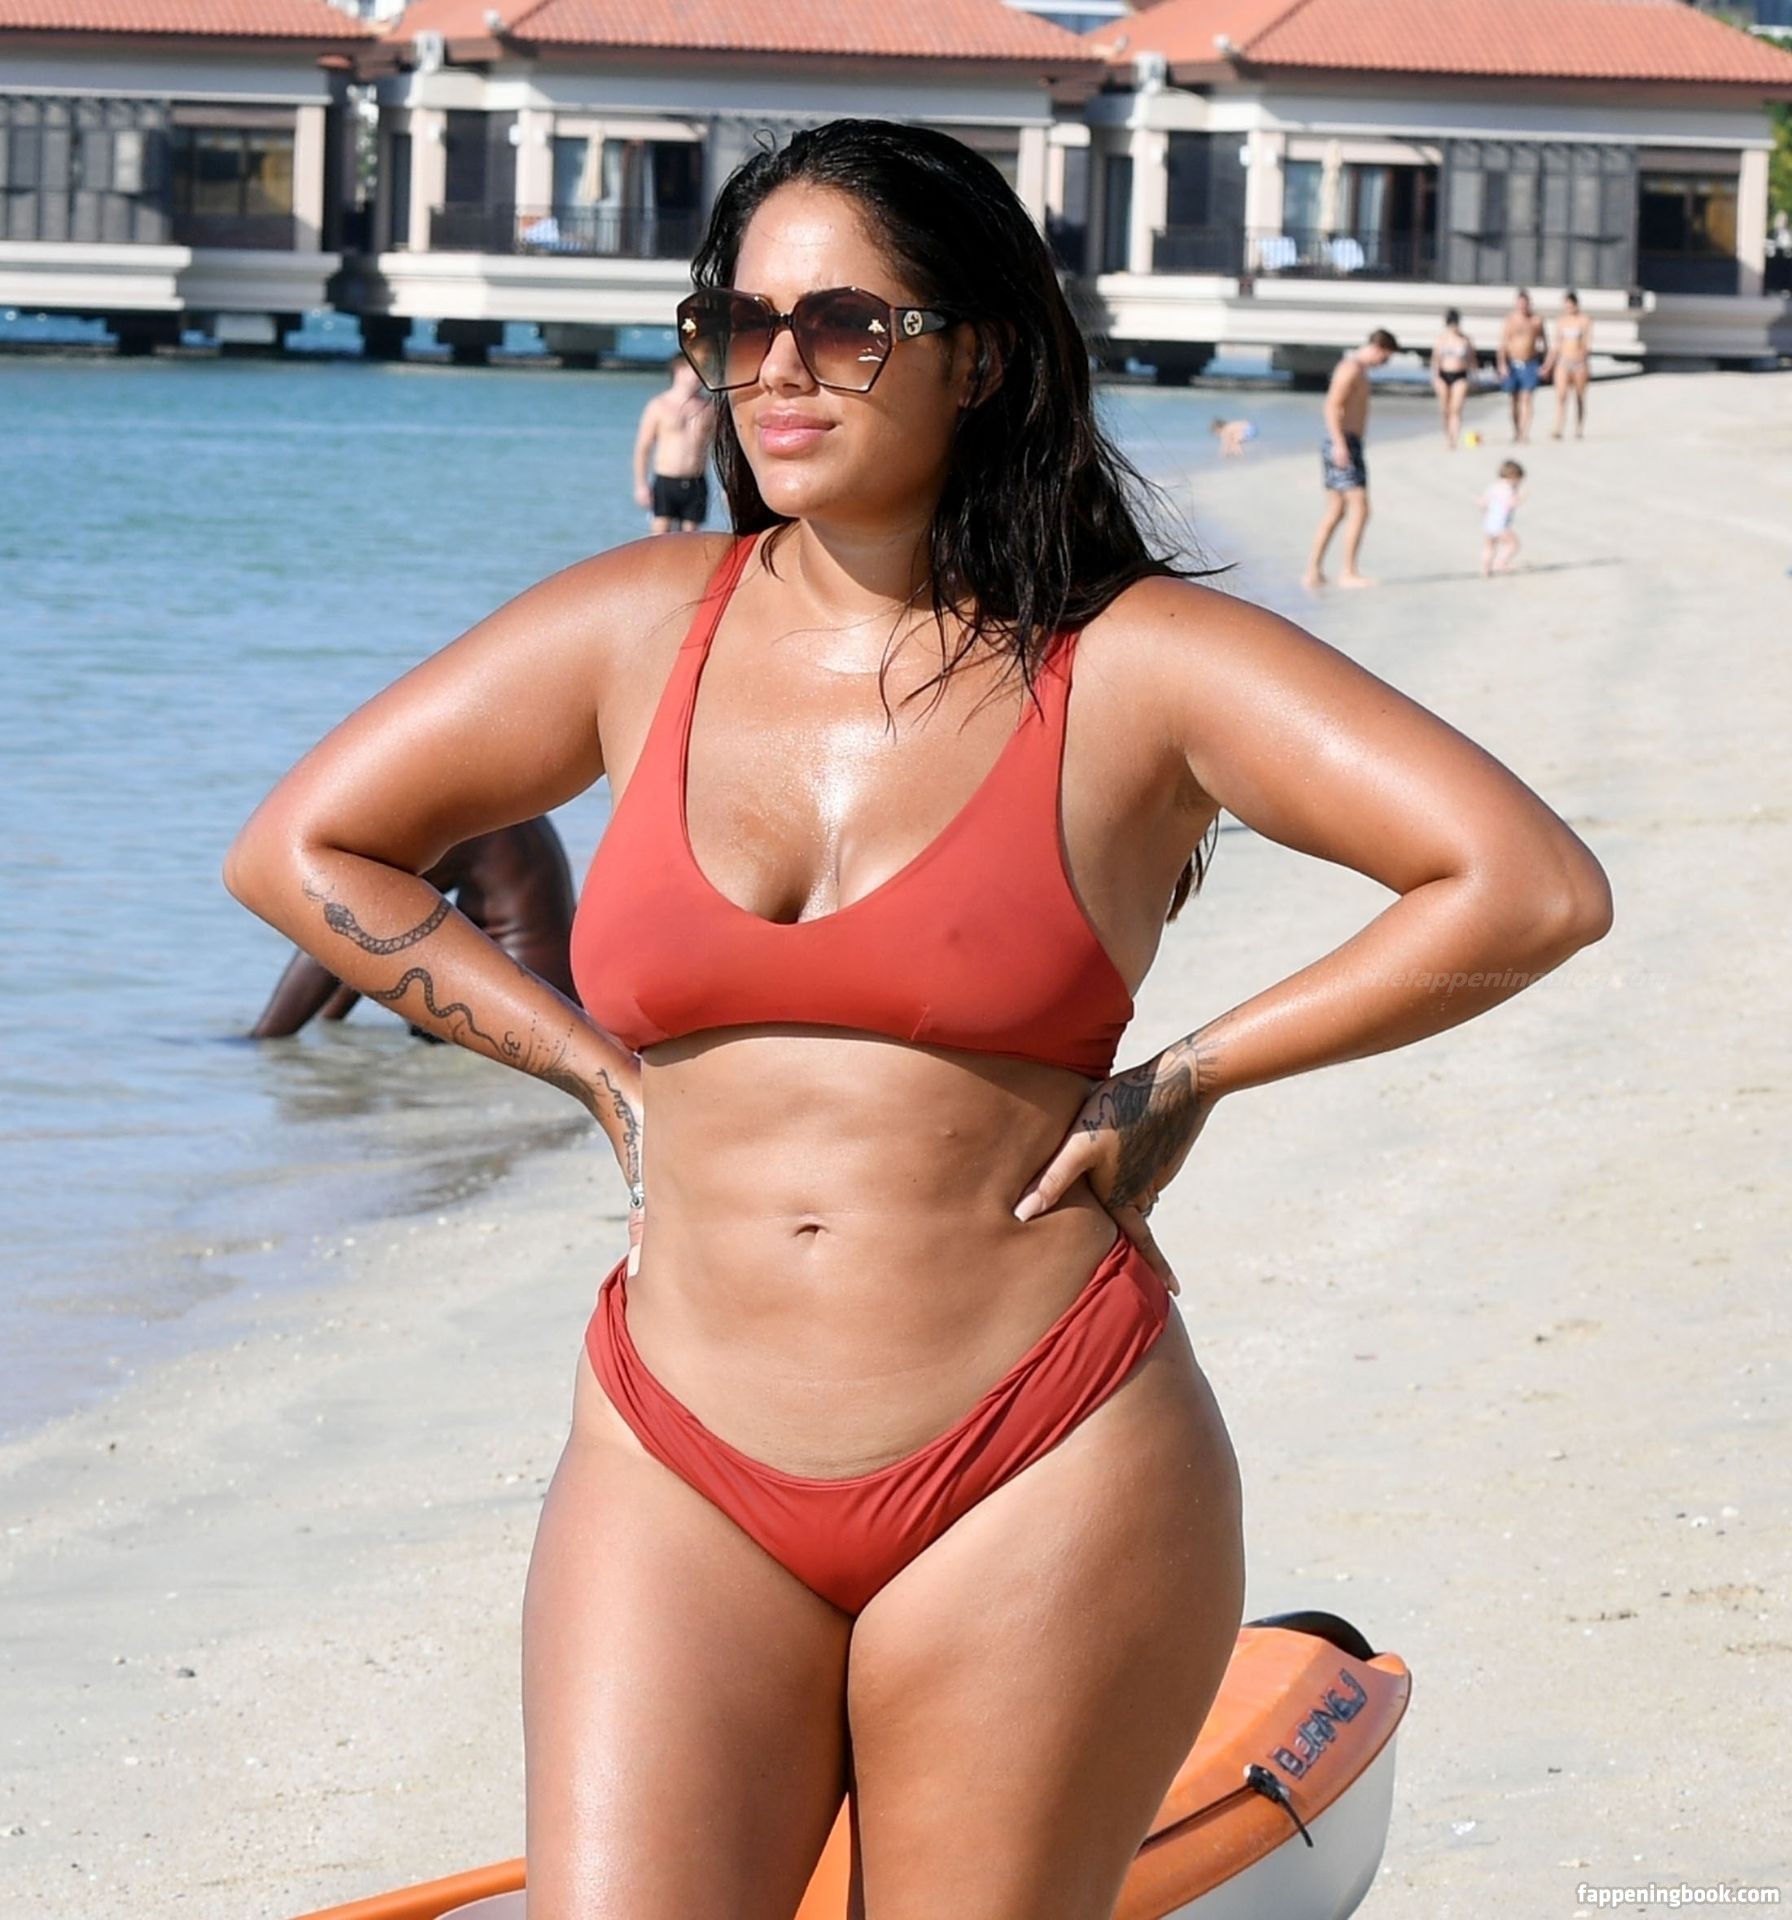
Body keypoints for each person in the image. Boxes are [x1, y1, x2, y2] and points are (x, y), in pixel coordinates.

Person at [223, 119, 1612, 1917]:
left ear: (986, 355)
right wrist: (586, 1067)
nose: (776, 370)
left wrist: (1190, 1075)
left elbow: (1524, 887)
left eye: (843, 324)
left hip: (1036, 1459)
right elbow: (302, 851)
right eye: (739, 324)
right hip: (672, 1453)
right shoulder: (635, 630)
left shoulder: (1135, 662)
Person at [247, 817, 576, 1038]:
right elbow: (375, 941)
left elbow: (362, 922)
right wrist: (329, 1023)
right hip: (548, 1002)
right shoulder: (513, 815)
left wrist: (266, 1038)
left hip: (508, 1013)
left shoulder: (475, 828)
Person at [1304, 326, 1399, 590]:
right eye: (1385, 357)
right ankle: (1348, 572)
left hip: (1345, 442)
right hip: (1342, 442)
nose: (1384, 363)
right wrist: (1339, 443)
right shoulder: (1351, 369)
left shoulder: (1357, 369)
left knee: (1336, 510)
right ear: (1378, 348)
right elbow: (1332, 405)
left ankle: (1313, 571)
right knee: (1360, 507)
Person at [633, 356, 715, 532]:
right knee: (660, 537)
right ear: (679, 371)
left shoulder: (708, 408)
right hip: (666, 481)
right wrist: (641, 485)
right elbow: (643, 448)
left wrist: (728, 487)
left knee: (690, 538)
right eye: (695, 370)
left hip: (696, 481)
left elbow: (723, 448)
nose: (700, 375)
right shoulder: (658, 406)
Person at [1496, 290, 1548, 444]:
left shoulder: (1536, 321)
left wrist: (1545, 365)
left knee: (1527, 398)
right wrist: (1502, 364)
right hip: (1512, 362)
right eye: (1520, 304)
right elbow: (1503, 344)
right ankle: (1516, 430)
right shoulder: (1510, 321)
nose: (1522, 306)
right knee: (1513, 400)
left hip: (1530, 362)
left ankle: (1525, 433)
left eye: (1525, 303)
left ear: (1529, 304)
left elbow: (1544, 344)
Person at [1545, 290, 1593, 440]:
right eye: (1566, 305)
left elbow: (1587, 344)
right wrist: (1548, 364)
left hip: (1579, 363)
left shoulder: (1584, 320)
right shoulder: (1561, 321)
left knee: (1579, 396)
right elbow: (1556, 345)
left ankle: (1578, 428)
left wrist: (1583, 359)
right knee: (1561, 396)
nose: (1568, 308)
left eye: (1570, 305)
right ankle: (1558, 427)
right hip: (1563, 362)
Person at [1430, 307, 1476, 449]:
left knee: (1456, 409)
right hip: (1443, 375)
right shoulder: (1441, 339)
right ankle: (1447, 437)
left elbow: (1472, 360)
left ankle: (1454, 439)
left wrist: (1474, 377)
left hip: (1460, 375)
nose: (1454, 327)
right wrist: (1435, 377)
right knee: (1445, 409)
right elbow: (1435, 360)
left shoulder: (1465, 340)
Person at [1479, 459, 1525, 577]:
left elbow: (1482, 502)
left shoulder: (1493, 487)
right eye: (1519, 480)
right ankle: (1501, 562)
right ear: (1513, 477)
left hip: (1489, 522)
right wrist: (1520, 498)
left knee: (1489, 546)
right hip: (1501, 524)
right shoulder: (1509, 490)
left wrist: (1485, 511)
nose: (1518, 484)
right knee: (1513, 544)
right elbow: (1510, 504)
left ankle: (1485, 569)